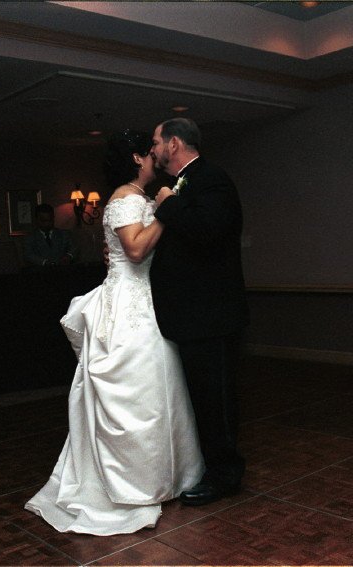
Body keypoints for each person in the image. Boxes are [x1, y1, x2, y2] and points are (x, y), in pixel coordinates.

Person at [24, 129, 203, 536]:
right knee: (138, 394)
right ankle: (132, 484)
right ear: (137, 158)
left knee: (160, 392)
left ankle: (165, 477)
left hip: (147, 301)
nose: (156, 156)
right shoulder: (127, 197)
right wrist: (163, 211)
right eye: (150, 151)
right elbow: (136, 250)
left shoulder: (136, 198)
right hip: (127, 307)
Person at [150, 117, 249, 506]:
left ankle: (225, 475)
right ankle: (211, 467)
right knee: (201, 399)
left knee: (216, 400)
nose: (154, 149)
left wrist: (168, 204)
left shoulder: (211, 178)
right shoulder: (184, 182)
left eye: (157, 142)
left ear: (174, 144)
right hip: (192, 316)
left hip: (211, 315)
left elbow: (208, 230)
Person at [23, 203, 77, 267]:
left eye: (50, 220)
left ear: (53, 218)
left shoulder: (64, 234)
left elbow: (74, 249)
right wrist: (44, 262)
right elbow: (28, 255)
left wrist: (69, 256)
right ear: (36, 220)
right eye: (43, 221)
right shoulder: (30, 238)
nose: (47, 223)